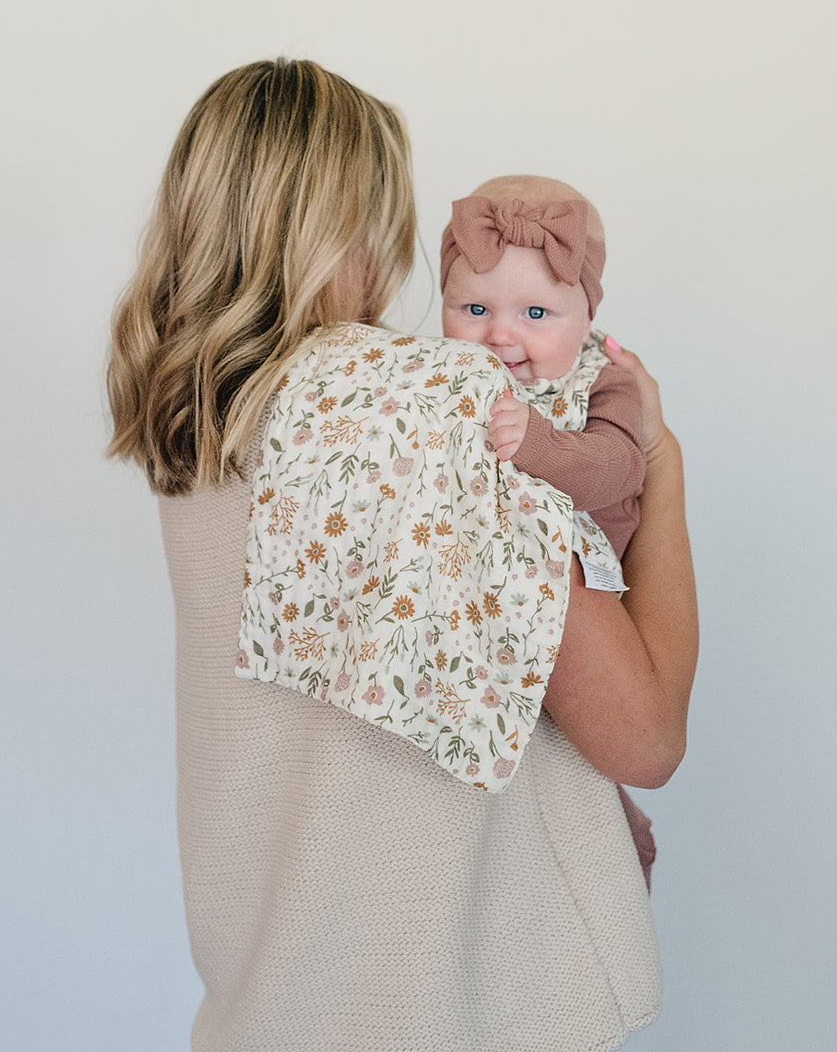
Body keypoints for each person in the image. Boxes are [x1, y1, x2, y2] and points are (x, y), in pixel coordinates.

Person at [107, 59, 697, 1052]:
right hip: (456, 1009)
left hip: (271, 998)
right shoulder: (431, 402)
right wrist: (656, 454)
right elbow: (645, 738)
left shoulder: (195, 415)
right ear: (352, 222)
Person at [440, 175, 657, 883]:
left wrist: (539, 444)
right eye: (474, 308)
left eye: (536, 312)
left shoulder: (603, 381)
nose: (501, 335)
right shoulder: (446, 375)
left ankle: (623, 845)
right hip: (486, 603)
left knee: (580, 760)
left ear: (588, 313)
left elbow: (620, 467)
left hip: (586, 604)